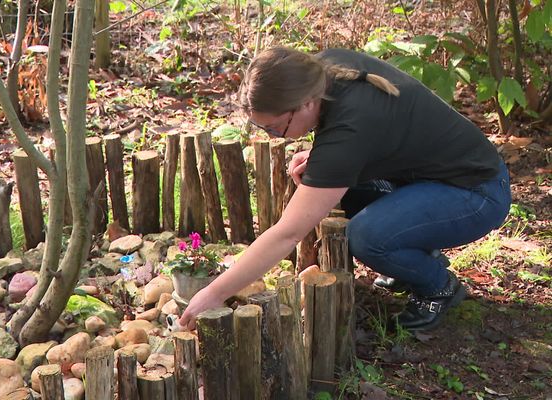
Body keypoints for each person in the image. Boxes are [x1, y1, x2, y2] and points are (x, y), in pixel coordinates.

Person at [179, 47, 511, 331]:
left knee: (366, 237)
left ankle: (439, 288)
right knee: (337, 191)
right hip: (429, 175)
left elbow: (287, 233)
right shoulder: (321, 70)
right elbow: (373, 135)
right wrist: (323, 159)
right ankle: (412, 251)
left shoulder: (350, 124)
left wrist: (214, 293)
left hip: (476, 193)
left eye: (275, 128)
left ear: (306, 103)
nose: (272, 137)